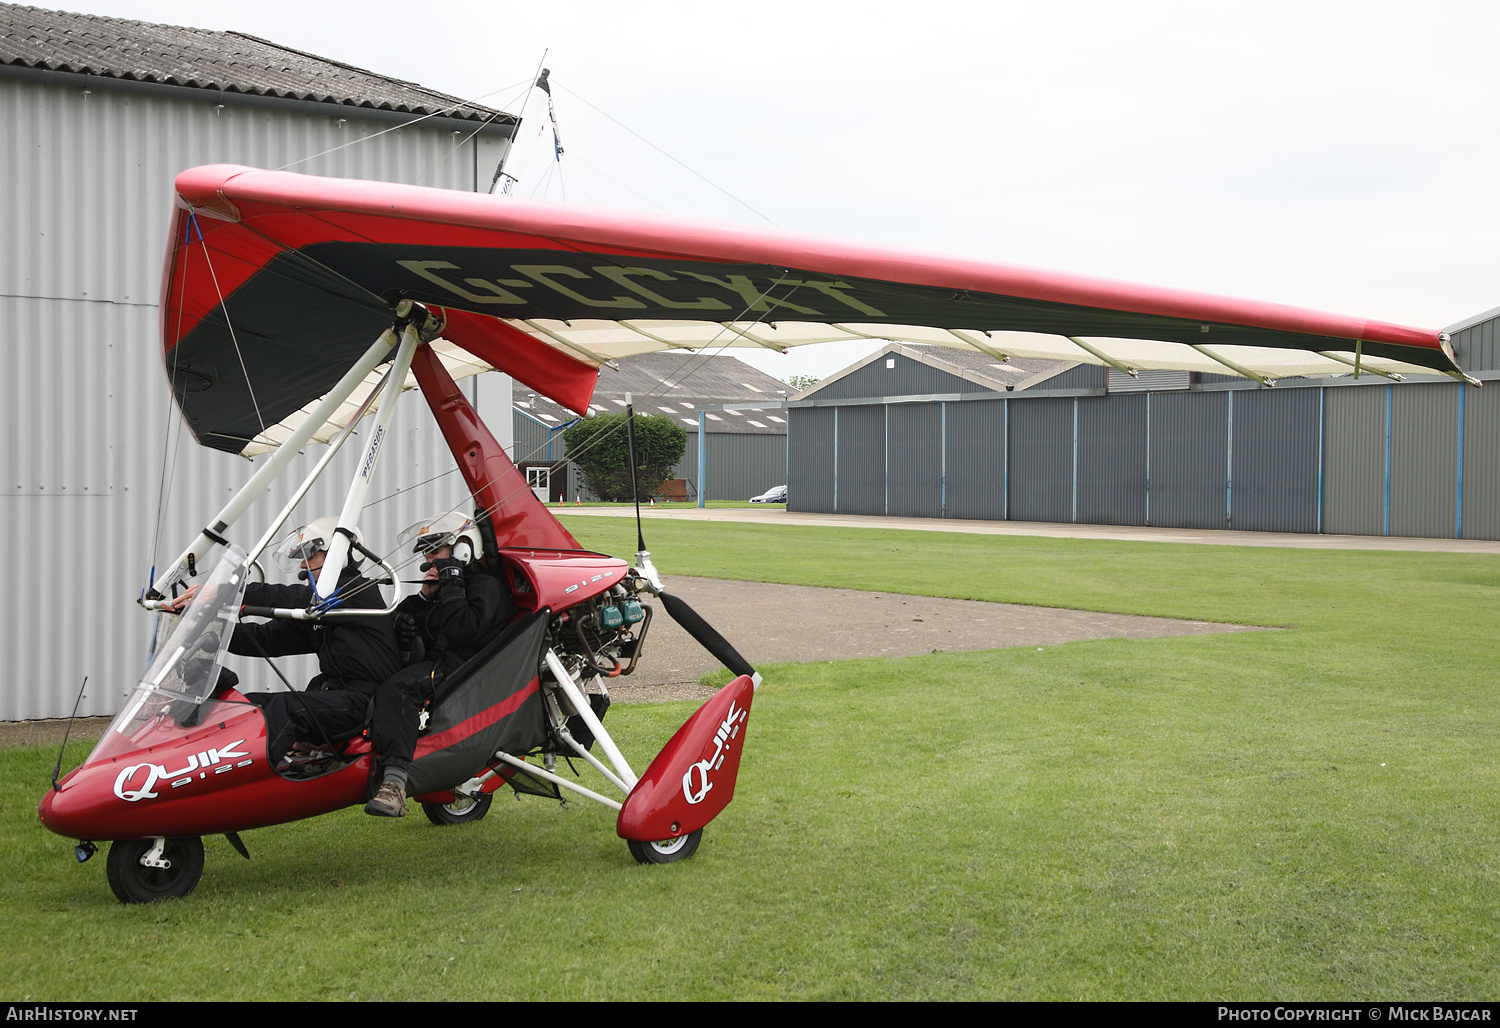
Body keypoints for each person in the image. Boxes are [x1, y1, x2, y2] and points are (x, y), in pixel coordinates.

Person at [170, 516, 400, 768]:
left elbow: (293, 596)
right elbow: (268, 639)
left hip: (365, 701)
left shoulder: (357, 591)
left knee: (287, 707)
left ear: (339, 553)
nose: (303, 564)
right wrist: (211, 629)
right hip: (333, 695)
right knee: (247, 704)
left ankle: (252, 777)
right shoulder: (319, 612)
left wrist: (229, 591)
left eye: (311, 554)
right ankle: (190, 766)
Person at [364, 513, 514, 817]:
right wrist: (423, 597)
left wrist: (452, 586)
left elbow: (463, 629)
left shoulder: (485, 586)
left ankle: (394, 783)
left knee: (399, 689)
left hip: (467, 672)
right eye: (426, 552)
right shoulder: (444, 589)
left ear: (462, 549)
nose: (428, 559)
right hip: (441, 664)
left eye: (435, 551)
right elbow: (404, 621)